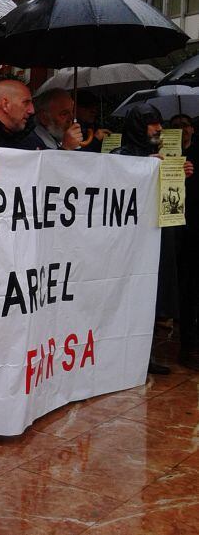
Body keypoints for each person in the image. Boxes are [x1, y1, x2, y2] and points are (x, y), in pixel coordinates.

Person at [112, 104, 194, 374]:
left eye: (159, 122)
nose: (159, 128)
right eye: (152, 123)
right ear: (137, 126)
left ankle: (144, 357)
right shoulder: (118, 156)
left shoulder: (157, 157)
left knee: (150, 299)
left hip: (156, 241)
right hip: (127, 247)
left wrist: (175, 176)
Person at [169, 114, 199, 370]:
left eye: (185, 126)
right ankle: (187, 345)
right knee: (186, 289)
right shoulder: (162, 151)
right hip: (176, 230)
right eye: (177, 127)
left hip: (194, 228)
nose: (183, 131)